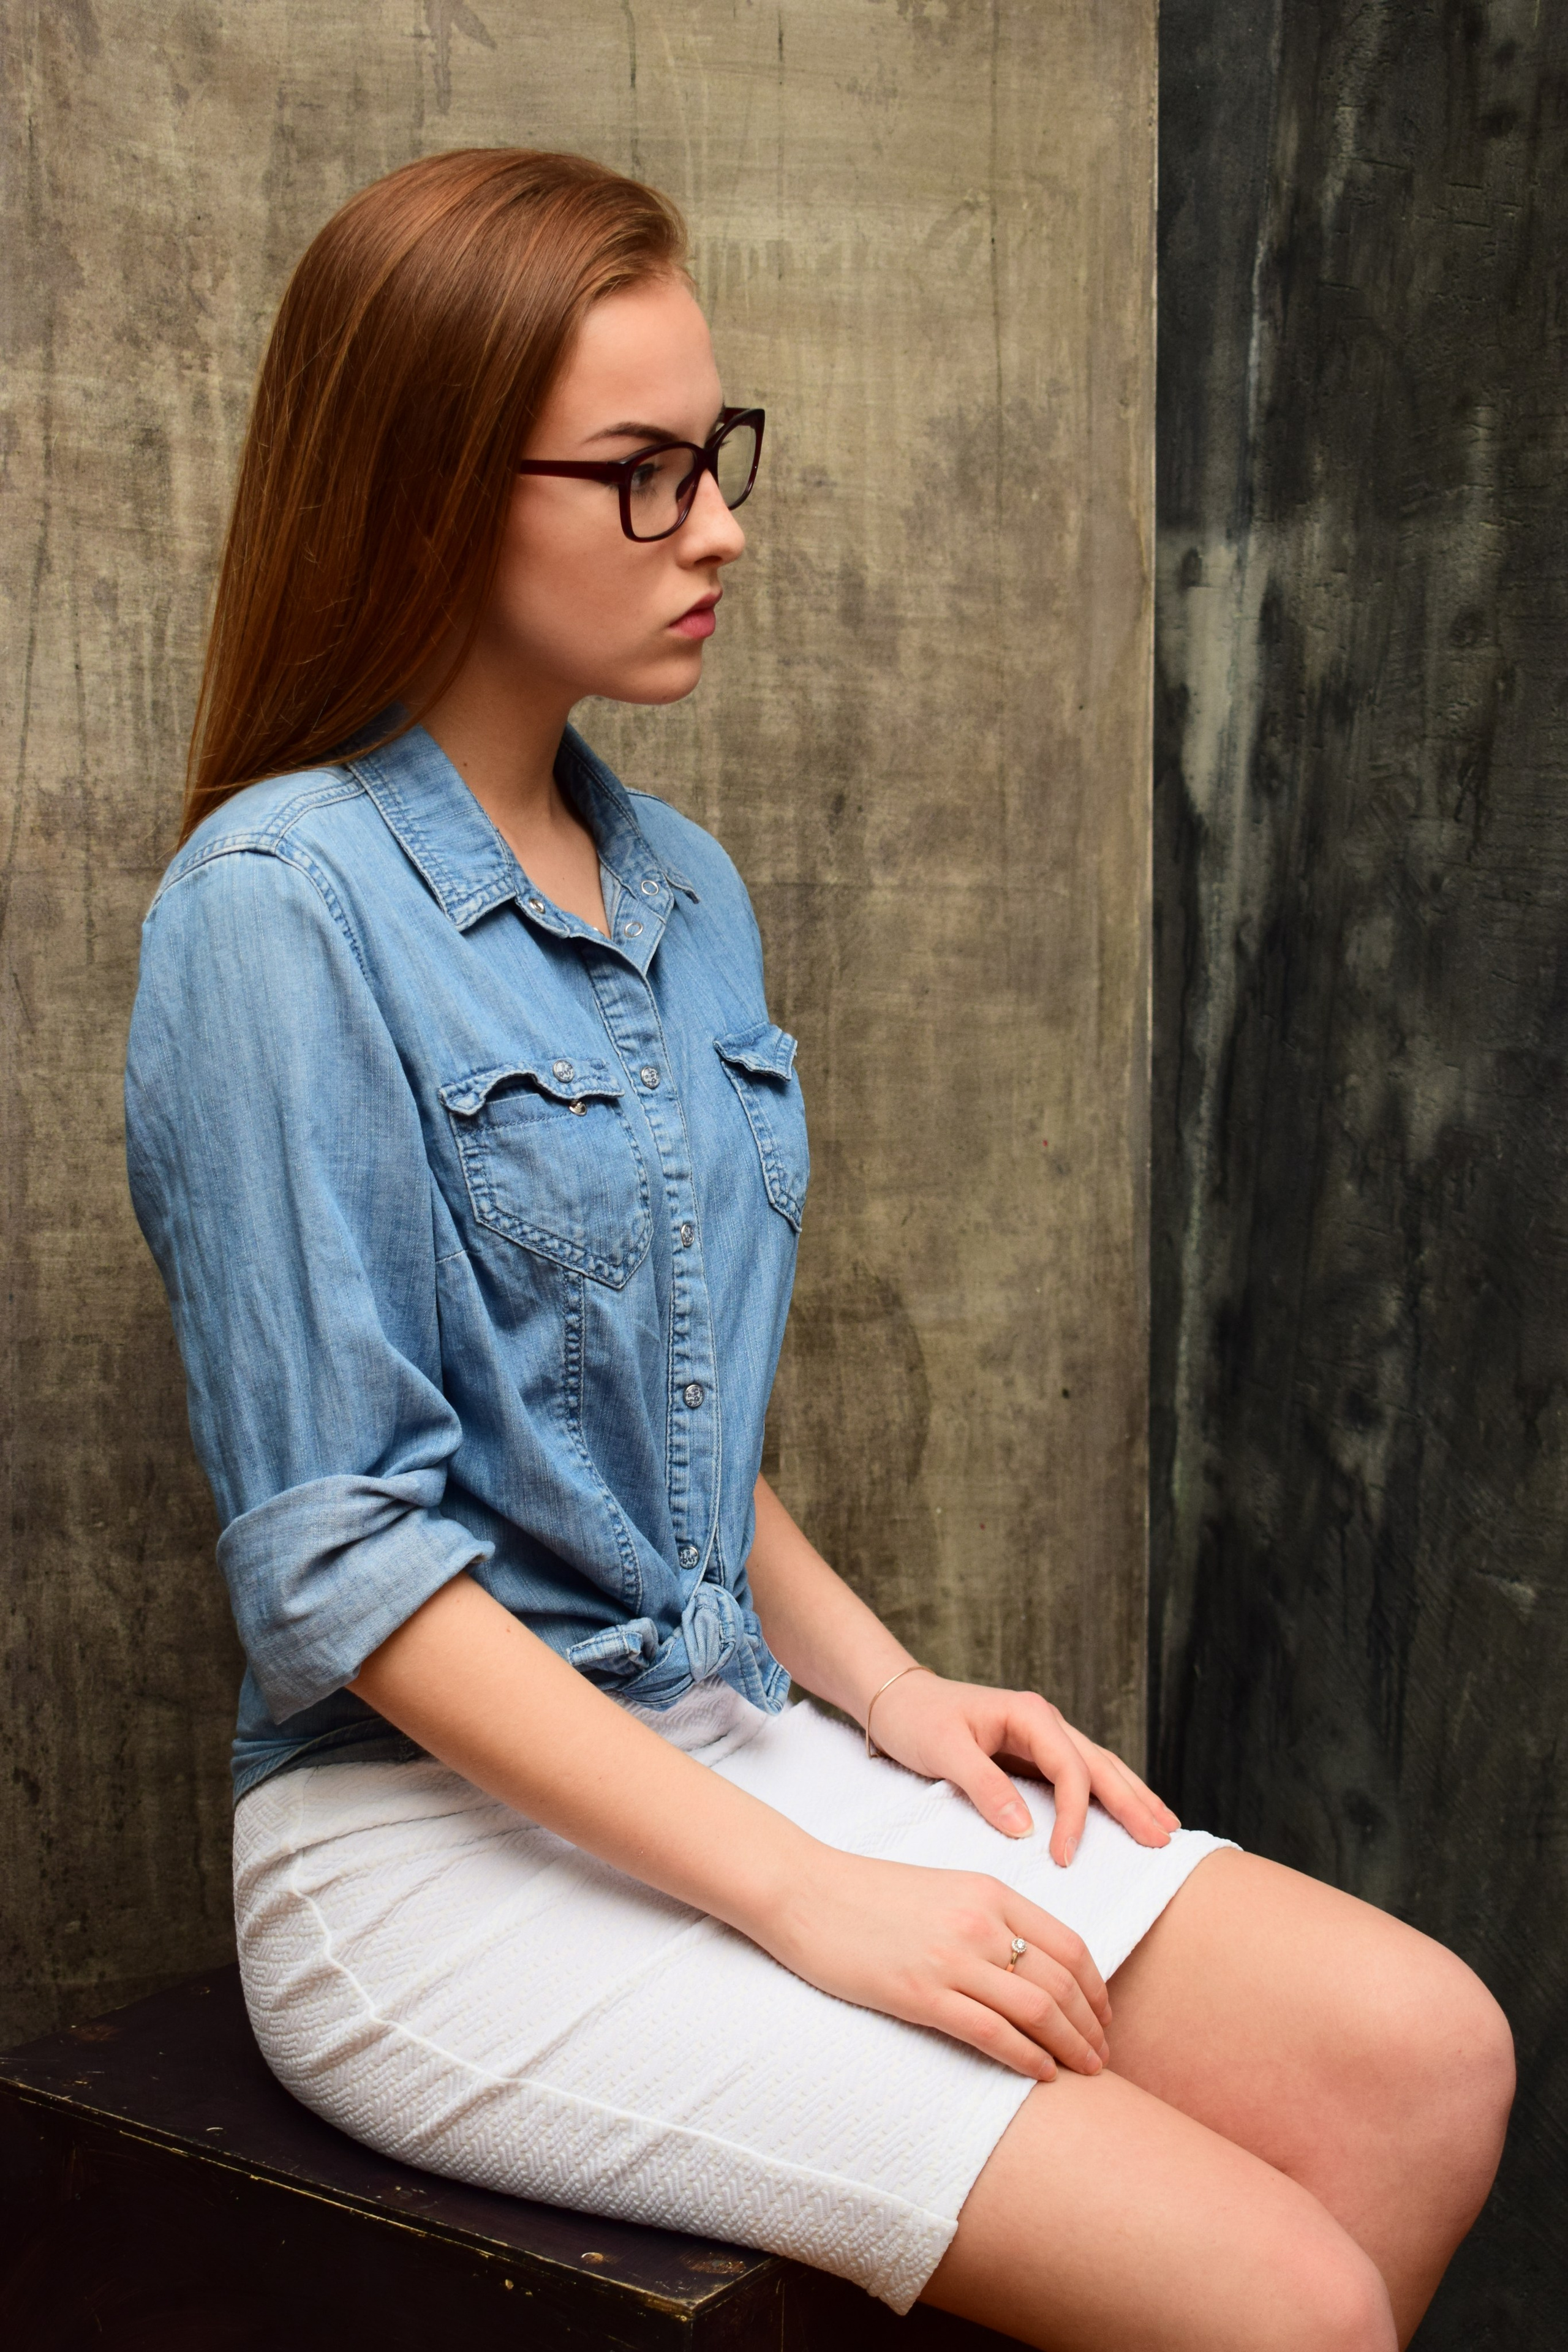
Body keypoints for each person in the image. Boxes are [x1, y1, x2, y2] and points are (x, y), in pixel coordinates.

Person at [125, 148, 1512, 2351]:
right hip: (422, 1851)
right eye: (643, 477)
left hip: (723, 1743)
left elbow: (667, 1418)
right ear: (423, 490)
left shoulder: (682, 888)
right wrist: (813, 1898)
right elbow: (341, 1573)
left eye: (719, 459)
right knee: (1286, 2301)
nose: (724, 533)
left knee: (1427, 2060)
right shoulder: (274, 911)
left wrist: (882, 1695)